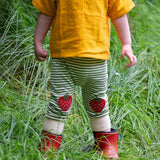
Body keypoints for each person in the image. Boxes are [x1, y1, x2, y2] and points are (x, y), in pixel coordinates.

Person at [32, 0, 137, 159]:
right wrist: (38, 41)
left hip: (96, 58)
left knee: (98, 103)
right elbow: (46, 12)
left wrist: (127, 44)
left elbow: (119, 13)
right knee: (59, 103)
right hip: (63, 59)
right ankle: (49, 145)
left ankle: (106, 146)